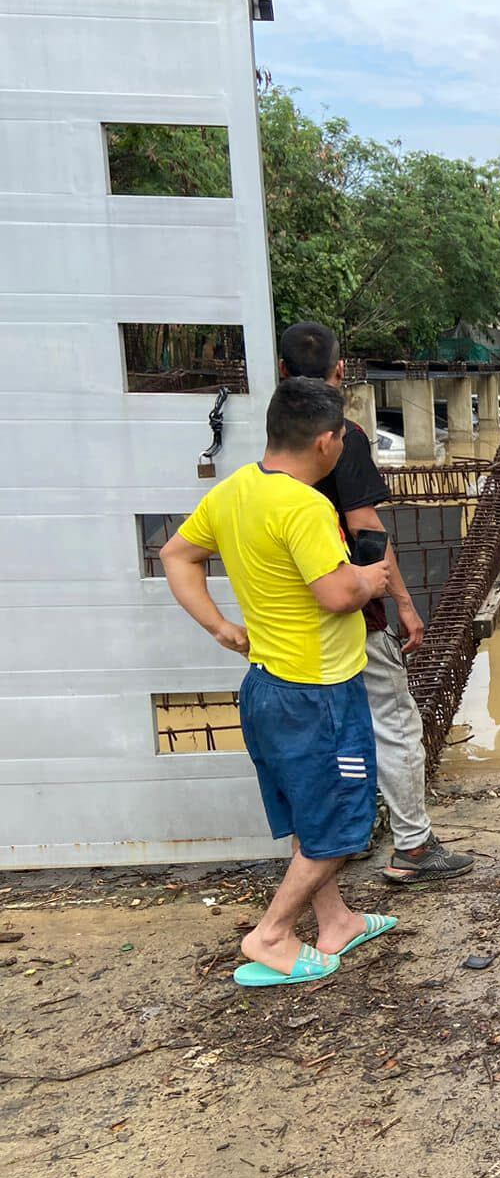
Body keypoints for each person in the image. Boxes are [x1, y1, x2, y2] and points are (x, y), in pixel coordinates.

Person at [160, 377, 397, 986]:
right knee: (340, 824)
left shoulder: (235, 489)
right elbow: (337, 594)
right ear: (325, 442)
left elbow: (175, 555)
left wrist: (220, 627)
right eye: (342, 437)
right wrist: (371, 580)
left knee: (309, 813)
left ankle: (336, 920)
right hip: (319, 696)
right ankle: (271, 934)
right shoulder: (306, 506)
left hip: (267, 687)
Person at [277, 322, 473, 884]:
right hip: (353, 605)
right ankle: (414, 845)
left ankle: (339, 837)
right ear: (341, 370)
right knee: (393, 719)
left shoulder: (273, 439)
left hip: (292, 610)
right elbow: (366, 527)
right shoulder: (345, 435)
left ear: (283, 371)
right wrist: (404, 602)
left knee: (329, 729)